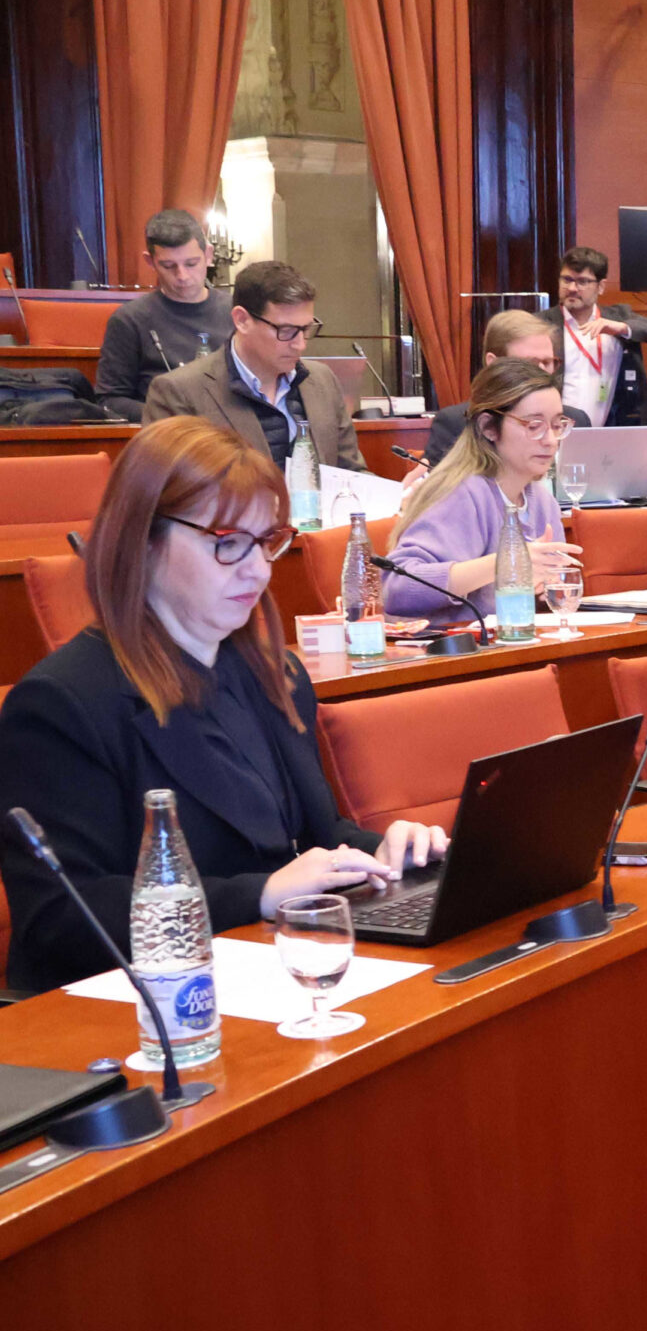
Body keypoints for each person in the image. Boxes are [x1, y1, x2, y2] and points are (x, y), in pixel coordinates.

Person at [0, 419, 446, 992]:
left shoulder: (276, 675)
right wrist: (259, 895)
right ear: (144, 540)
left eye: (267, 542)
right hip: (130, 1005)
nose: (259, 569)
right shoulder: (60, 705)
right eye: (228, 543)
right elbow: (63, 918)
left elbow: (317, 835)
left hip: (264, 967)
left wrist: (384, 853)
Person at [381, 359, 578, 619]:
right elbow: (397, 588)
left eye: (557, 425)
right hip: (447, 643)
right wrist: (506, 564)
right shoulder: (463, 493)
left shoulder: (542, 501)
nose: (551, 440)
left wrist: (544, 587)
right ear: (488, 427)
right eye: (534, 426)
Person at [141, 259, 364, 472]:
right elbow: (171, 490)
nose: (300, 344)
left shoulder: (322, 380)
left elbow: (353, 474)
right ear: (242, 320)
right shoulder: (179, 393)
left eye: (306, 329)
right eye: (286, 331)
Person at [94, 208, 232, 418]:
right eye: (168, 266)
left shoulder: (238, 312)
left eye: (191, 264)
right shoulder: (129, 320)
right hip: (166, 430)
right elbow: (110, 400)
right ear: (150, 262)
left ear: (208, 255)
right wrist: (170, 418)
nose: (182, 275)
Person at [550, 246, 647, 430]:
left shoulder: (618, 318)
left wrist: (624, 328)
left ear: (601, 286)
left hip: (612, 431)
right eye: (567, 280)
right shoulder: (542, 324)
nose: (572, 288)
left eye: (582, 282)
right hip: (555, 433)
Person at [422, 310, 561, 466]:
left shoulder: (575, 421)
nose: (541, 371)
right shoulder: (455, 423)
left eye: (547, 362)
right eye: (530, 363)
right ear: (494, 363)